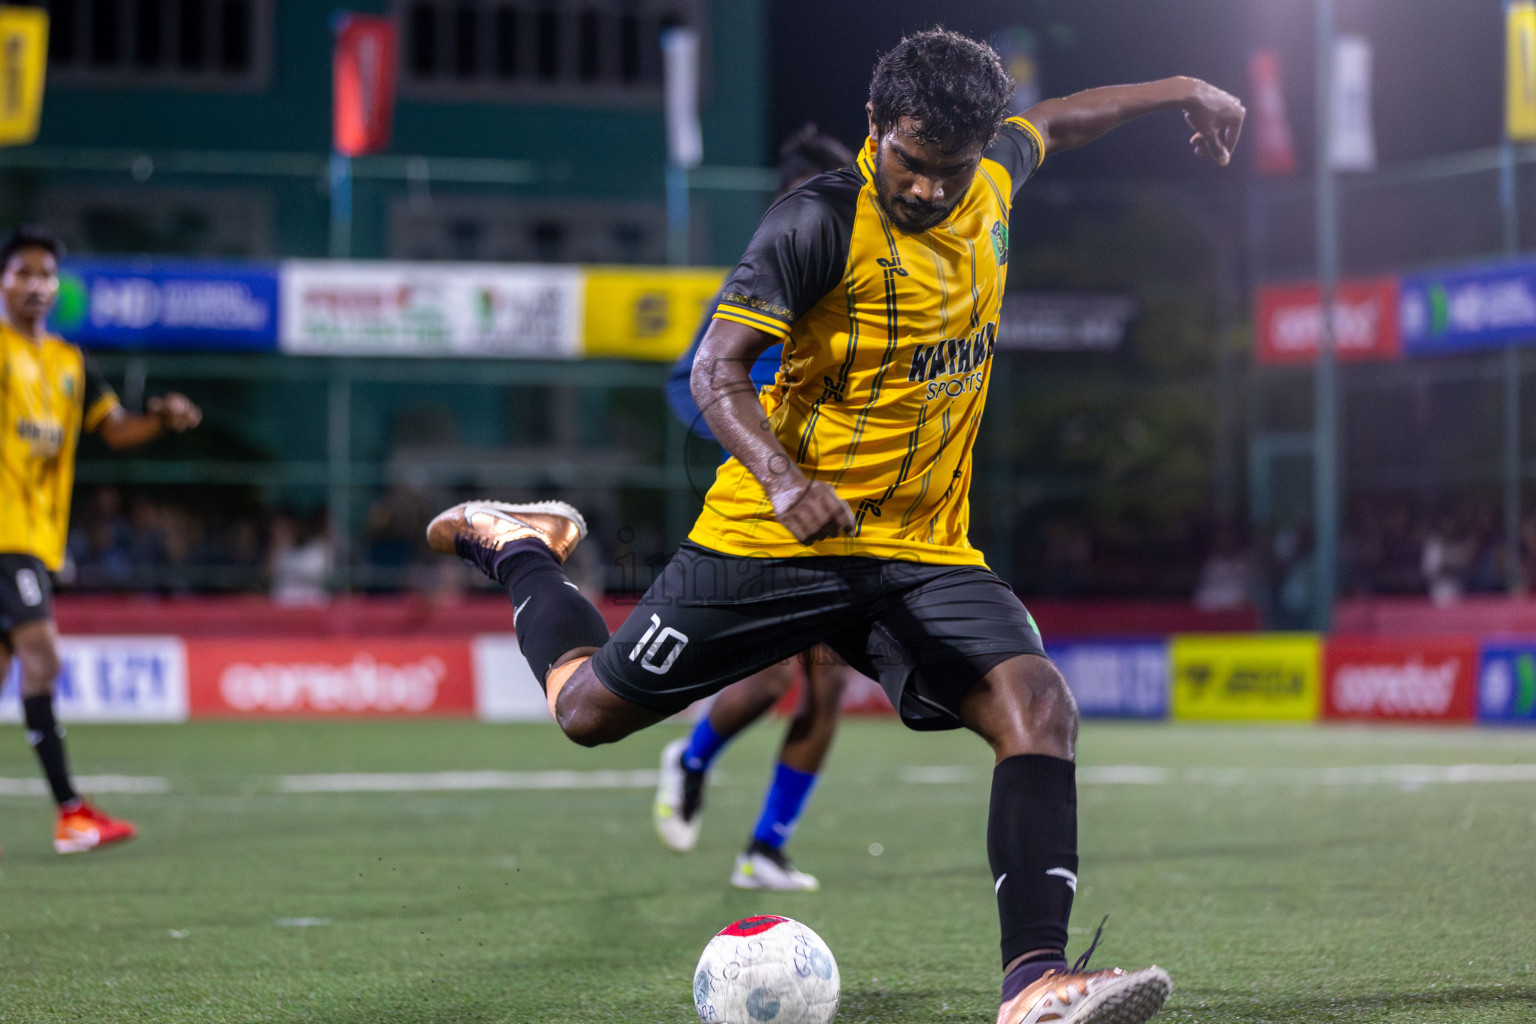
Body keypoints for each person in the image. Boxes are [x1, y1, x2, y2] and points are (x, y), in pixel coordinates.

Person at [429, 30, 1243, 1024]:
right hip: (776, 540)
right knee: (587, 712)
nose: (930, 189)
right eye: (910, 161)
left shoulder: (991, 176)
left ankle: (1035, 982)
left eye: (951, 169)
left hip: (923, 549)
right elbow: (715, 370)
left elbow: (1064, 120)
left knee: (1038, 704)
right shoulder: (815, 222)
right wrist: (779, 477)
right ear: (872, 125)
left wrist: (1184, 88)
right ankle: (519, 544)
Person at [654, 124, 860, 893]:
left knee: (831, 682)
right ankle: (693, 757)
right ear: (790, 196)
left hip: (839, 504)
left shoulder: (852, 269)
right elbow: (690, 380)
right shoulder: (764, 268)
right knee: (776, 680)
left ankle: (766, 848)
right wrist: (765, 460)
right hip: (771, 504)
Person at [0, 226, 202, 855]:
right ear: (2, 282)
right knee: (44, 657)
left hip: (37, 537)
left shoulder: (69, 362)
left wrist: (160, 420)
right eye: (22, 273)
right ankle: (70, 812)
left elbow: (114, 430)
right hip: (5, 536)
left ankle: (71, 814)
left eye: (45, 275)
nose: (36, 285)